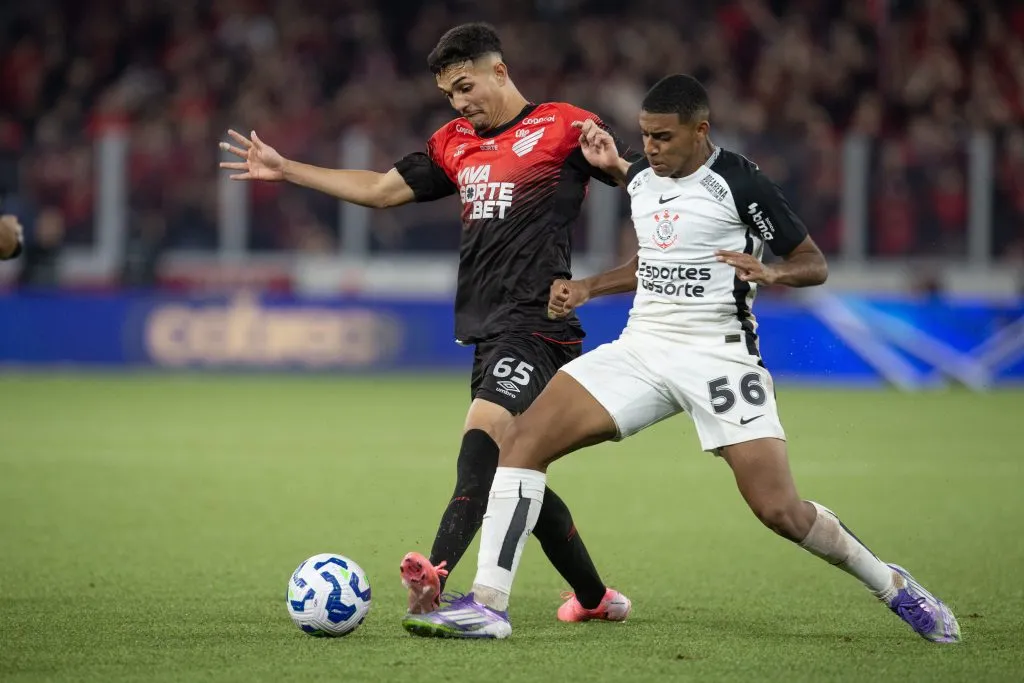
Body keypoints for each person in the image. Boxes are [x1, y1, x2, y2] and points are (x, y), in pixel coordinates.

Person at [403, 74, 961, 643]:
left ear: (701, 131)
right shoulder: (643, 180)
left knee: (779, 510)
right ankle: (489, 605)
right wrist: (591, 286)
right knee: (520, 441)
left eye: (664, 138)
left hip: (719, 358)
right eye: (644, 137)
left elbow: (812, 260)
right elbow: (655, 261)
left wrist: (774, 271)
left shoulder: (741, 182)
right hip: (642, 348)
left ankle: (892, 584)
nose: (650, 149)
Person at [219, 22, 632, 622]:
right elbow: (383, 189)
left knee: (482, 439)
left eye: (466, 86)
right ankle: (596, 600)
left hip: (540, 325)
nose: (460, 103)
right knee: (511, 471)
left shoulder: (563, 125)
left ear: (499, 69)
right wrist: (289, 169)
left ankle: (436, 572)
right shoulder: (454, 142)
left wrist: (617, 166)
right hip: (488, 329)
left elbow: (637, 180)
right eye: (449, 95)